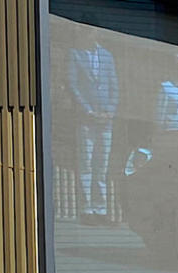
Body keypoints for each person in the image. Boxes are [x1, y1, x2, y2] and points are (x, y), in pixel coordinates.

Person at [69, 38, 119, 223]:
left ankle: (101, 209)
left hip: (106, 120)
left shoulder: (106, 55)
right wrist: (87, 110)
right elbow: (72, 85)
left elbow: (114, 85)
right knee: (86, 163)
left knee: (102, 165)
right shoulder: (75, 53)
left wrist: (111, 111)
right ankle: (86, 209)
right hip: (86, 118)